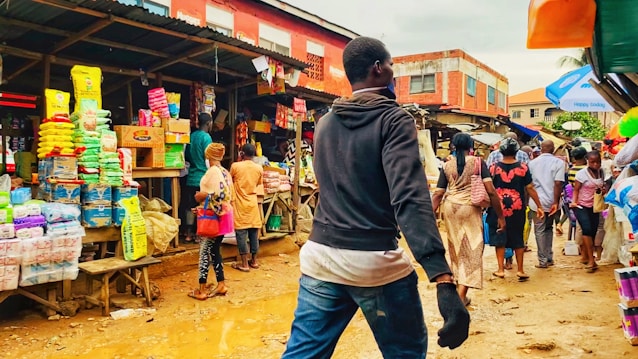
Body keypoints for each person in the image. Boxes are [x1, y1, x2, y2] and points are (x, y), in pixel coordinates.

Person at [282, 37, 470, 359]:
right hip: (373, 261)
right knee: (405, 353)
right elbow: (409, 198)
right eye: (393, 66)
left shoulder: (325, 123)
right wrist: (442, 277)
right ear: (379, 69)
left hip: (320, 257)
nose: (394, 73)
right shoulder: (394, 120)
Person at [432, 132, 505, 306]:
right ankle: (461, 294)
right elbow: (491, 191)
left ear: (453, 146)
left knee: (456, 249)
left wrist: (428, 215)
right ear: (470, 147)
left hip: (450, 208)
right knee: (473, 250)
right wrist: (500, 216)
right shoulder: (479, 163)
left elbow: (438, 193)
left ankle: (461, 290)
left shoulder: (447, 165)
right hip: (470, 208)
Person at [487, 138, 544, 281]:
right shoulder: (523, 168)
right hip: (517, 207)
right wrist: (539, 206)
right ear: (516, 152)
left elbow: (489, 189)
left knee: (499, 236)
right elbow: (530, 188)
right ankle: (520, 270)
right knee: (518, 236)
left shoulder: (493, 168)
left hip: (498, 208)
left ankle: (500, 269)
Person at [189, 143, 232, 300]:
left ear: (208, 157)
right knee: (215, 251)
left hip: (213, 218)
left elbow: (215, 195)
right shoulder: (225, 172)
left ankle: (201, 290)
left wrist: (201, 197)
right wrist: (202, 206)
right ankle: (221, 284)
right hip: (223, 217)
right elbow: (226, 196)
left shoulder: (213, 172)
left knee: (204, 252)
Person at [528, 140, 565, 268]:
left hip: (536, 201)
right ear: (553, 149)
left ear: (541, 149)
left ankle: (543, 260)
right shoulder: (559, 163)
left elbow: (529, 185)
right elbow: (558, 183)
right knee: (549, 228)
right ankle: (549, 257)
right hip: (552, 201)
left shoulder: (532, 163)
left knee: (539, 230)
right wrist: (555, 202)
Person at [570, 151, 606, 273]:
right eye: (592, 162)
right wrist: (574, 202)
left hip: (595, 207)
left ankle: (585, 255)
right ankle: (592, 261)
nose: (595, 164)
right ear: (587, 161)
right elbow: (576, 190)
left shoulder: (601, 172)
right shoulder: (581, 174)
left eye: (598, 162)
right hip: (581, 206)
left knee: (593, 231)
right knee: (586, 229)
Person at [230, 143, 263, 272]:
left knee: (241, 233)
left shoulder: (235, 166)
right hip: (252, 202)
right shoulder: (259, 168)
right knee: (254, 232)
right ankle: (254, 261)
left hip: (240, 204)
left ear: (241, 153)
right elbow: (258, 183)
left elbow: (230, 179)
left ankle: (244, 263)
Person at [183, 113, 213, 243]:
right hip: (203, 178)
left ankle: (188, 233)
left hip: (191, 177)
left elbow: (186, 156)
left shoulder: (191, 136)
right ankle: (198, 234)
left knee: (190, 206)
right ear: (208, 123)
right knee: (202, 206)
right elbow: (208, 158)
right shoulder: (206, 138)